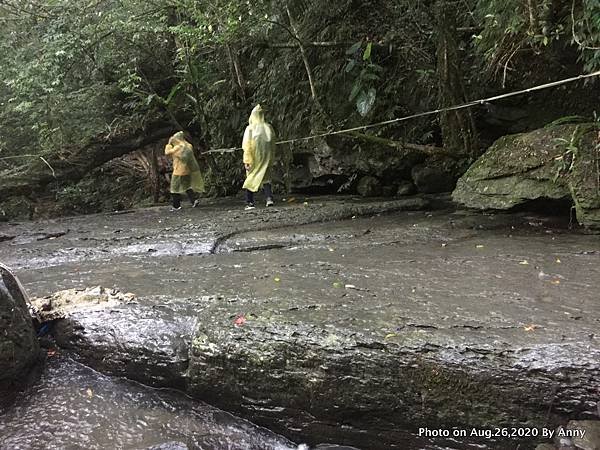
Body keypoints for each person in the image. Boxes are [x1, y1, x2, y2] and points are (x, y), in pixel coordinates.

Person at [242, 104, 276, 210]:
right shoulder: (268, 127)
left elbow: (247, 145)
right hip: (266, 157)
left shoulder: (250, 129)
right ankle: (269, 198)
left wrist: (247, 160)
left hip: (254, 157)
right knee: (266, 178)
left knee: (251, 177)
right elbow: (273, 144)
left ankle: (250, 202)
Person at [164, 131, 205, 210]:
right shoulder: (189, 146)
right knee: (187, 186)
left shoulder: (178, 147)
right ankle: (194, 200)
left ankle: (176, 206)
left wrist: (169, 143)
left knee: (174, 188)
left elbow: (167, 153)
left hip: (178, 170)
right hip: (187, 169)